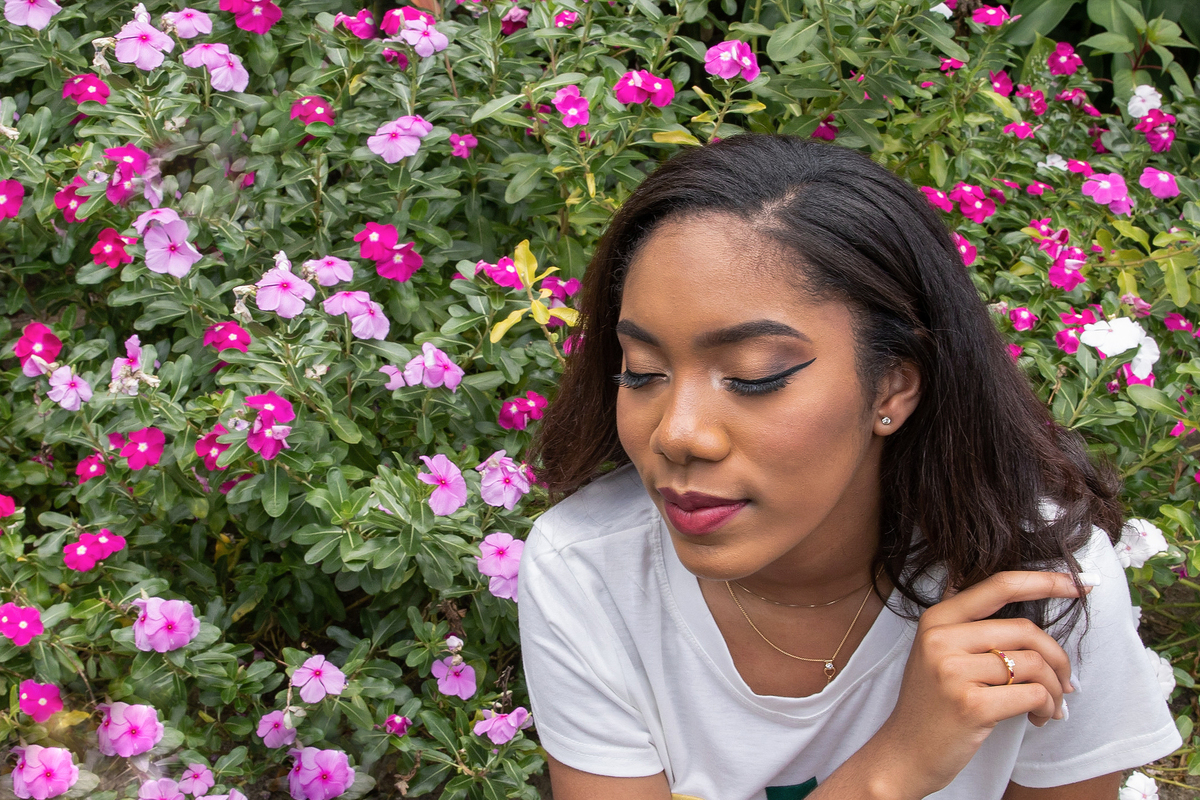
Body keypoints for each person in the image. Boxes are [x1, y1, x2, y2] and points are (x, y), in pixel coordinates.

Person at [517, 135, 1180, 800]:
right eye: (643, 372)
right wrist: (890, 771)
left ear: (891, 388)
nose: (678, 433)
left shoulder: (1039, 575)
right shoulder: (590, 572)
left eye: (753, 377)